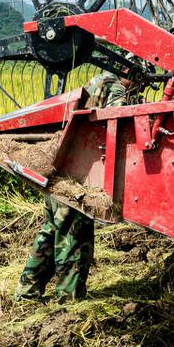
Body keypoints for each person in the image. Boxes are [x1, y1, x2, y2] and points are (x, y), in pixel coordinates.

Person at [14, 71, 129, 302]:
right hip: (77, 178)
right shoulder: (116, 89)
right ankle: (69, 298)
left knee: (51, 231)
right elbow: (119, 121)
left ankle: (27, 291)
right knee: (74, 237)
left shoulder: (96, 82)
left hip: (60, 169)